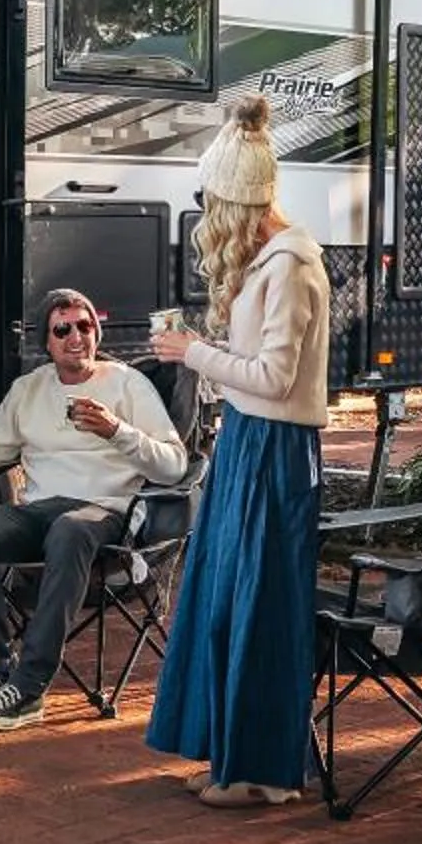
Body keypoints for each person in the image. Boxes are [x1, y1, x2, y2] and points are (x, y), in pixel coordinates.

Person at [145, 94, 332, 807]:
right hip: (250, 444)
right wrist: (210, 352)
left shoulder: (290, 266)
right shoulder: (266, 262)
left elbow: (276, 380)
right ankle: (234, 758)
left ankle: (263, 772)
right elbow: (257, 371)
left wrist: (197, 354)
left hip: (277, 451)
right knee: (224, 601)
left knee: (260, 609)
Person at [0, 286, 189, 732]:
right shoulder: (29, 389)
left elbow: (175, 464)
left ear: (96, 333)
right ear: (47, 341)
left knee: (69, 529)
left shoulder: (127, 384)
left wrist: (117, 431)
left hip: (104, 512)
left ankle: (28, 688)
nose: (75, 337)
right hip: (40, 511)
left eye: (85, 326)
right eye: (62, 329)